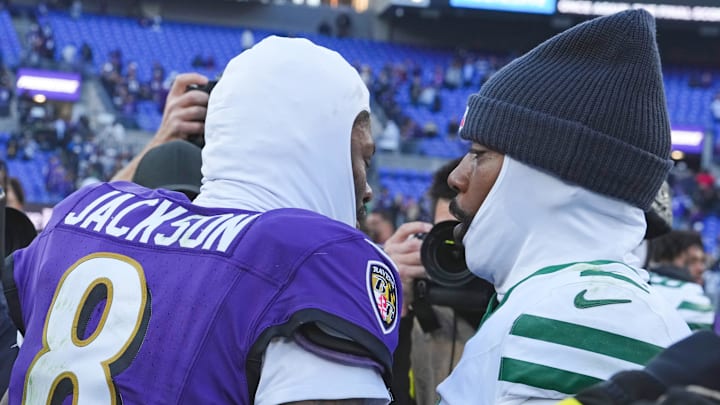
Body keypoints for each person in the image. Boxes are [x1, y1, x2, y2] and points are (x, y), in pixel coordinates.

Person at [2, 36, 400, 404]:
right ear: (319, 146)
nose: (367, 189)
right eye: (363, 157)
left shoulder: (80, 212)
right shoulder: (309, 261)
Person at [436, 10, 691, 404]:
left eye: (478, 154)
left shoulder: (573, 317)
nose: (457, 177)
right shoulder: (563, 298)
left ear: (548, 180)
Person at [386, 157, 490, 405]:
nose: (458, 250)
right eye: (448, 236)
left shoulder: (525, 301)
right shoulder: (422, 309)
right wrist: (392, 306)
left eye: (467, 232)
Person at [647, 230, 715, 330]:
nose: (701, 268)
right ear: (665, 259)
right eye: (692, 261)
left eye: (702, 261)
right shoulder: (694, 298)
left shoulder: (640, 282)